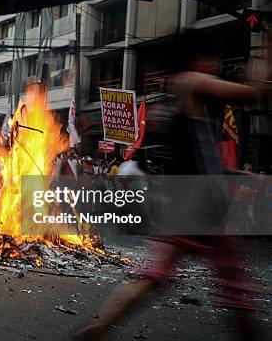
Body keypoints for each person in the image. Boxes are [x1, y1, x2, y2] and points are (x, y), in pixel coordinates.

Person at [74, 35, 265, 341]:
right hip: (203, 209)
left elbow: (195, 158)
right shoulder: (191, 81)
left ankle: (98, 328)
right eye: (208, 58)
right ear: (194, 60)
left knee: (153, 275)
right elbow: (252, 94)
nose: (213, 65)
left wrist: (234, 172)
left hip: (185, 205)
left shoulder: (175, 96)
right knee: (236, 286)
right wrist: (265, 58)